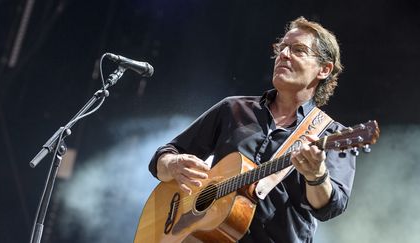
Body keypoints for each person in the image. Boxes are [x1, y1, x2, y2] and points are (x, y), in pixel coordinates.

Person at [148, 16, 355, 243]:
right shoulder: (232, 109)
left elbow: (330, 208)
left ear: (324, 69)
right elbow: (162, 158)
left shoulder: (333, 135)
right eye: (282, 47)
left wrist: (316, 176)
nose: (284, 54)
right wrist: (172, 164)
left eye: (298, 50)